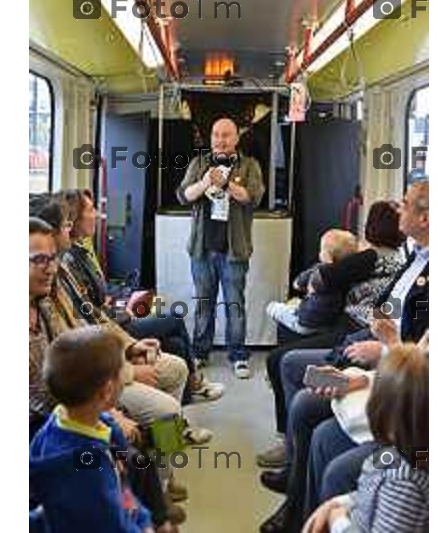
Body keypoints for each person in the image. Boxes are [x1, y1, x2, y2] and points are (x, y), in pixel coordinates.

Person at [258, 182, 428, 533]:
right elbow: (392, 308)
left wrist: (381, 348)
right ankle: (295, 481)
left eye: (406, 204)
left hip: (381, 359)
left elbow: (414, 355)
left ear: (424, 218)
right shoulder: (414, 258)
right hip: (366, 341)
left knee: (300, 383)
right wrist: (378, 331)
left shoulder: (385, 258)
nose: (400, 208)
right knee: (293, 371)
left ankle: (296, 491)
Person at [29, 217, 179, 531]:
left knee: (177, 368)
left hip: (95, 374)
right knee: (169, 411)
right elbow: (53, 386)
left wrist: (130, 348)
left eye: (52, 257)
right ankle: (157, 500)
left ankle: (165, 486)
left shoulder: (49, 295)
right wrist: (122, 382)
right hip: (81, 390)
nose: (50, 267)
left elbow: (94, 319)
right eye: (38, 259)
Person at [258, 201, 405, 469]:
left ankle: (289, 445)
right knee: (287, 347)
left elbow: (320, 278)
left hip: (353, 327)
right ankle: (291, 441)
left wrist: (308, 280)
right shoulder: (400, 258)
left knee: (281, 359)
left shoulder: (372, 256)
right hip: (357, 327)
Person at [60, 188, 224, 406]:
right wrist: (123, 312)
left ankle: (180, 404)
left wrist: (122, 301)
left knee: (173, 342)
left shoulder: (82, 250)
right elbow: (91, 315)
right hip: (113, 326)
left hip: (114, 317)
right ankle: (193, 382)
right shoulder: (69, 261)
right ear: (74, 218)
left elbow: (99, 297)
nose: (99, 214)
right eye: (91, 210)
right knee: (173, 318)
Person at [30, 326, 155, 533]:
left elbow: (122, 490)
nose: (127, 373)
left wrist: (142, 517)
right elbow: (113, 525)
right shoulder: (89, 470)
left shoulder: (61, 423)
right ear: (107, 391)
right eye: (122, 367)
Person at [302, 344, 429, 533]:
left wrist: (337, 520)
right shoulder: (395, 456)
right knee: (324, 436)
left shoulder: (402, 483)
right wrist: (338, 502)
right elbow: (369, 484)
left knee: (338, 471)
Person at [176, 117, 265, 379]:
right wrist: (205, 183)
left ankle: (238, 355)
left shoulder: (249, 165)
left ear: (237, 138)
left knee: (235, 303)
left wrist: (225, 183)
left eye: (226, 135)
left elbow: (252, 197)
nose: (220, 140)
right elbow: (183, 195)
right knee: (204, 303)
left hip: (234, 251)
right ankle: (200, 352)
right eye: (216, 134)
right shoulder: (199, 163)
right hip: (202, 251)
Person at [265, 229, 359, 337]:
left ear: (325, 255)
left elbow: (297, 284)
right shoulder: (349, 274)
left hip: (306, 323)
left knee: (272, 307)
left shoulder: (319, 271)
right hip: (328, 321)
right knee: (297, 304)